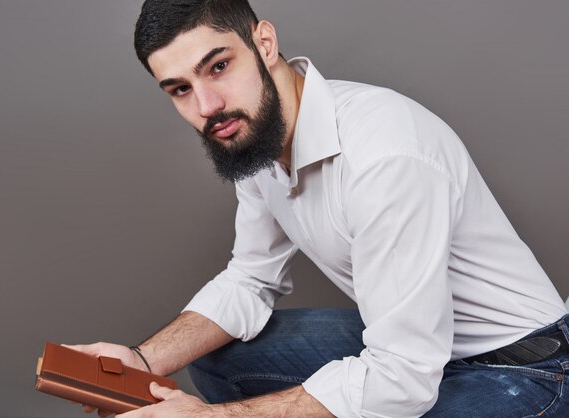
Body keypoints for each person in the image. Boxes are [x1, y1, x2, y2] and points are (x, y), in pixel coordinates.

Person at [66, 1, 569, 417]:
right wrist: (138, 360)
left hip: (524, 369)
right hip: (419, 345)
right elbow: (250, 281)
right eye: (180, 89)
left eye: (218, 67)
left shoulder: (384, 154)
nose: (206, 106)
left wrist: (209, 417)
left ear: (264, 43)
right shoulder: (255, 141)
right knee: (223, 361)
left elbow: (404, 378)